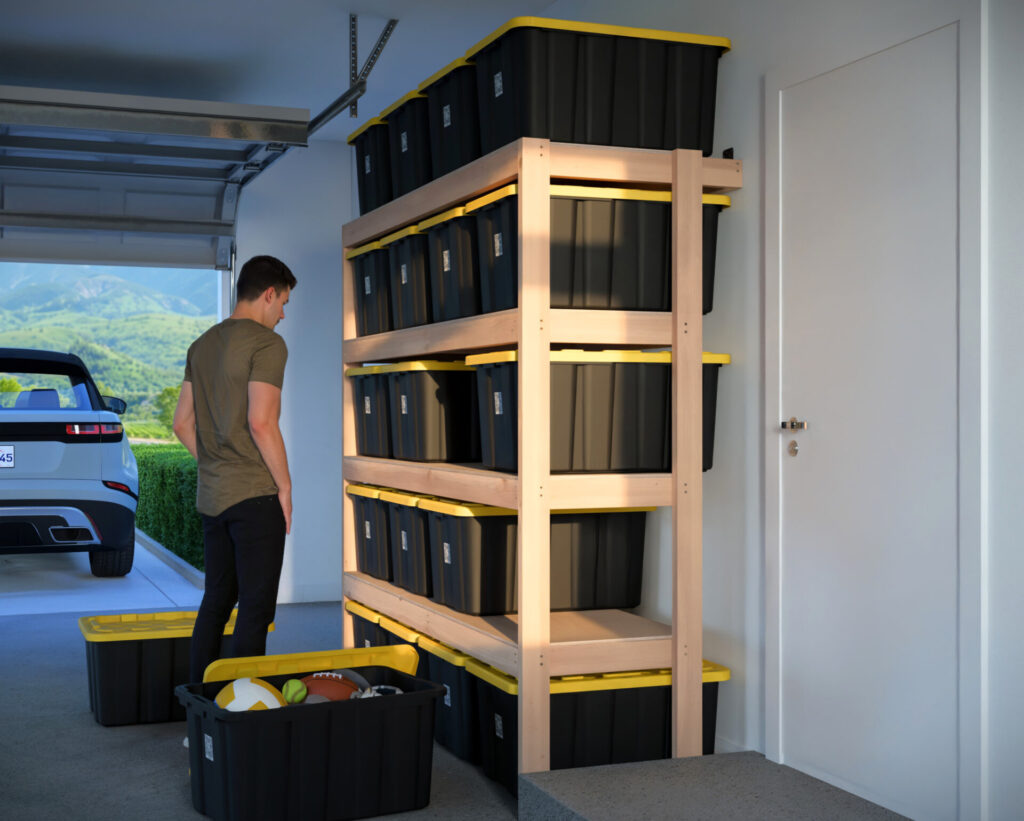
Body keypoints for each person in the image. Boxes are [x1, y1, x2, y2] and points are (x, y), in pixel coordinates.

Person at [173, 255, 296, 683]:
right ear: (267, 293)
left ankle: (203, 716)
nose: (282, 313)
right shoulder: (267, 345)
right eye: (282, 301)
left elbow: (181, 423)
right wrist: (285, 487)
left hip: (213, 498)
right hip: (255, 497)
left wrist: (215, 464)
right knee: (256, 610)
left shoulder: (202, 344)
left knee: (216, 602)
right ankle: (243, 720)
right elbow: (261, 422)